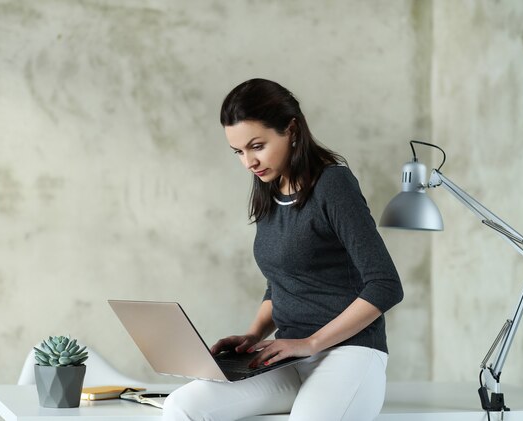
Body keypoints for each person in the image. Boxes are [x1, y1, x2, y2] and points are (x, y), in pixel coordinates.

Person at [162, 78, 404, 421]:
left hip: (350, 353)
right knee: (181, 407)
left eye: (256, 146)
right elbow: (279, 282)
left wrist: (311, 343)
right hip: (287, 356)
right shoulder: (269, 188)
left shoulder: (333, 185)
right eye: (239, 152)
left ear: (291, 130)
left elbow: (386, 286)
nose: (249, 162)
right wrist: (252, 335)